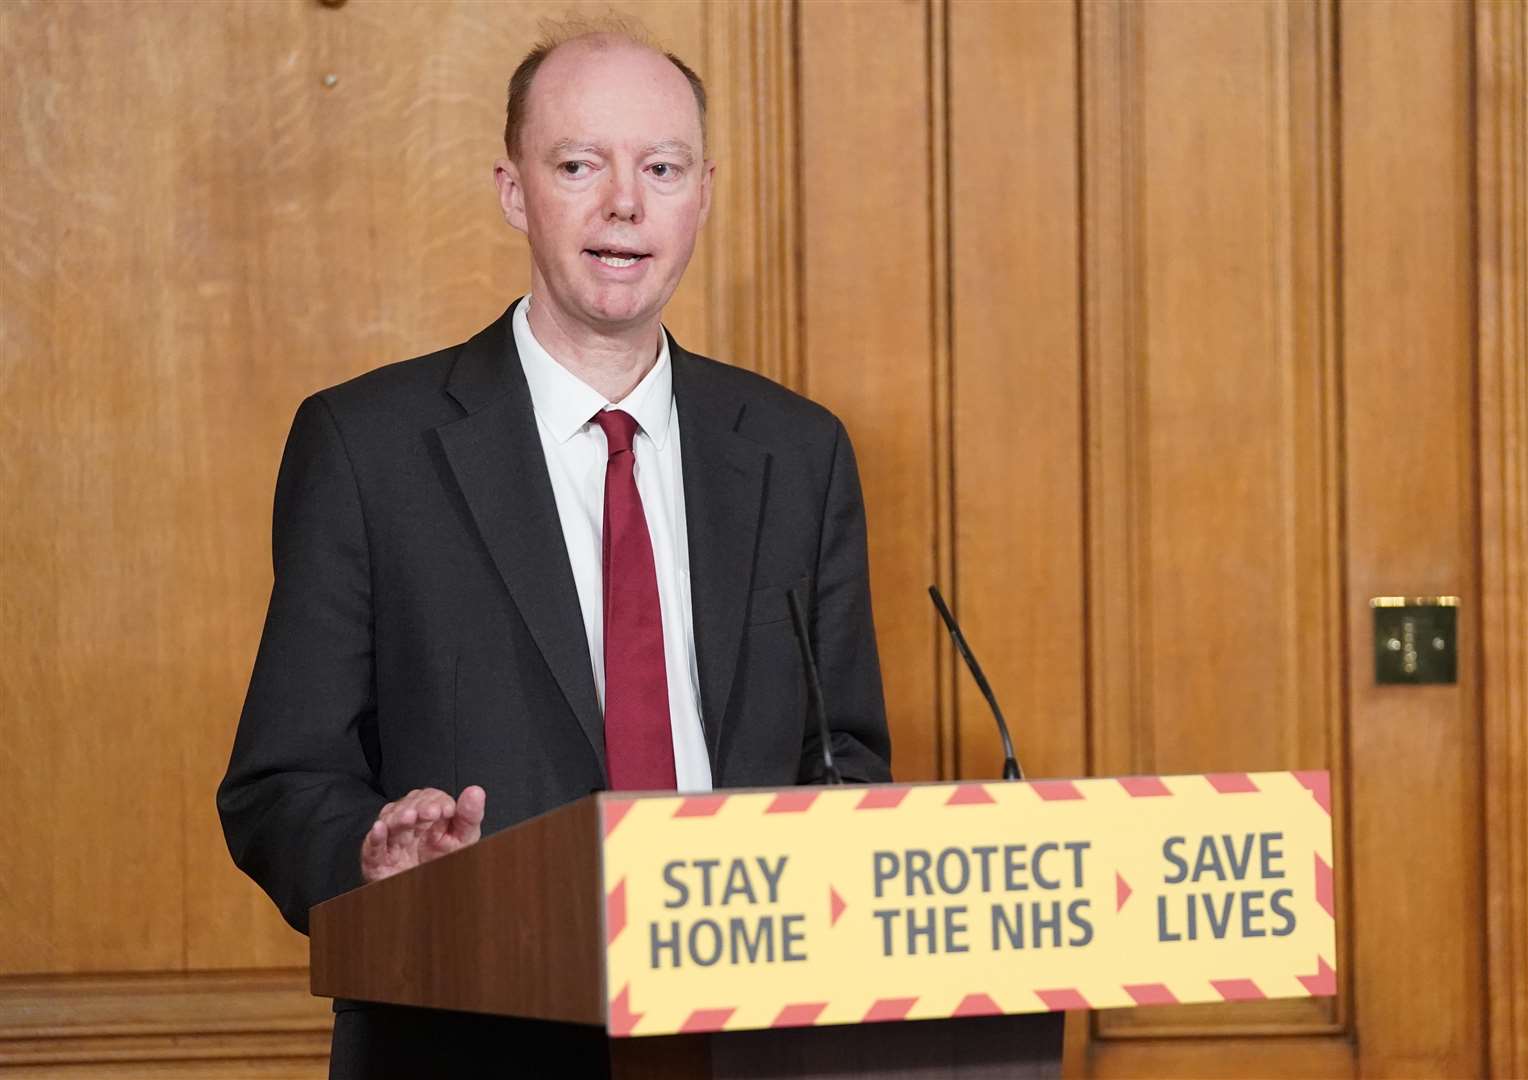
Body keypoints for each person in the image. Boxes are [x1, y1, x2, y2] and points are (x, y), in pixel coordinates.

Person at [218, 15, 891, 1077]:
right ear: (513, 190)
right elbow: (278, 782)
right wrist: (370, 855)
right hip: (471, 1037)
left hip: (747, 1038)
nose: (625, 201)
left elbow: (844, 764)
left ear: (701, 193)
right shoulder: (368, 448)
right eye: (580, 164)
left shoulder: (797, 452)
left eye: (660, 167)